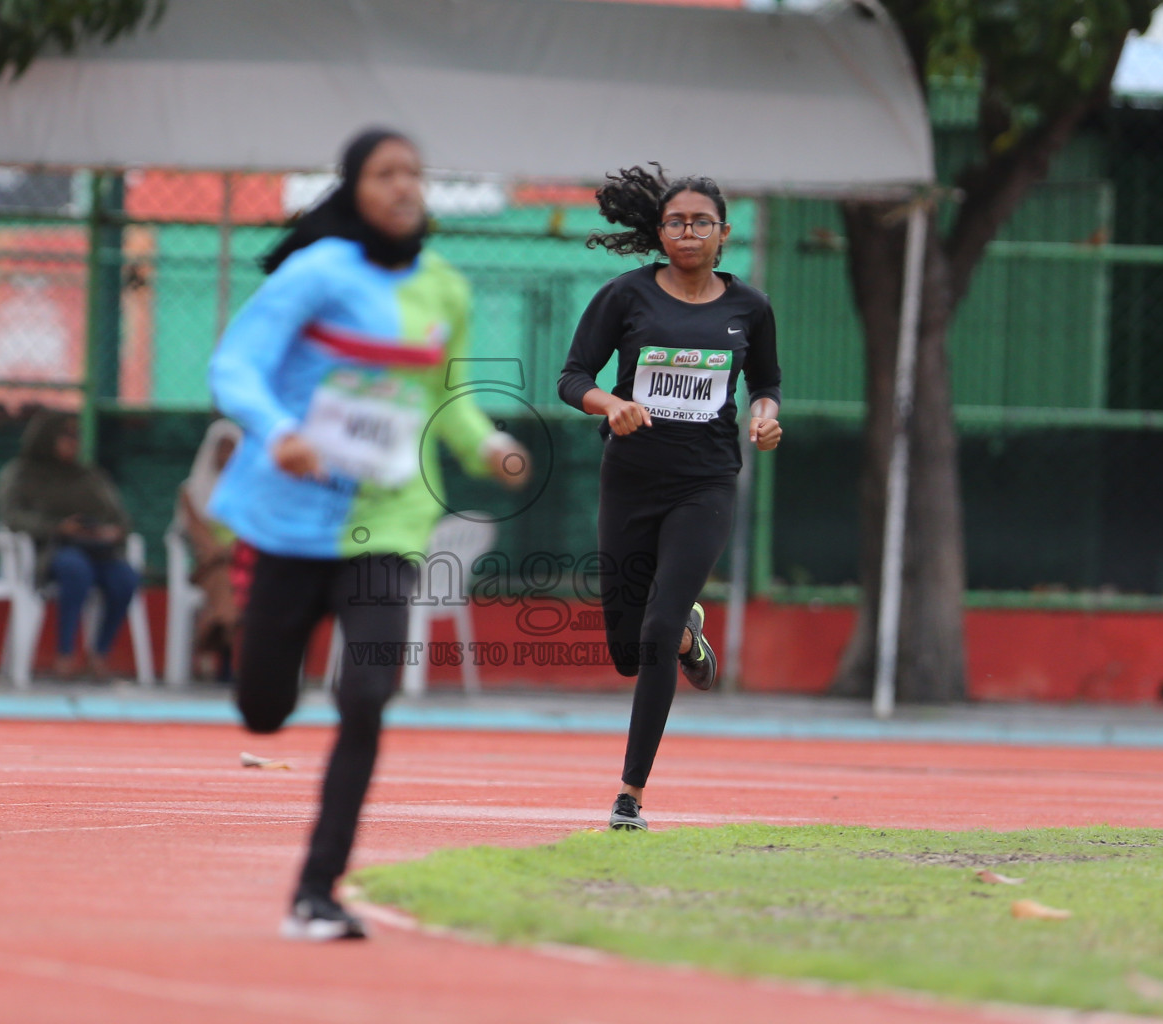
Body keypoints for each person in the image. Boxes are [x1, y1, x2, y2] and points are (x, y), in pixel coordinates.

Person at [209, 127, 530, 941]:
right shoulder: (315, 274)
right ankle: (260, 678)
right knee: (263, 711)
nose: (404, 187)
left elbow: (447, 400)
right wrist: (278, 428)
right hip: (290, 521)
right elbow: (235, 365)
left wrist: (489, 446)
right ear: (355, 188)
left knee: (367, 697)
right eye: (386, 174)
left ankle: (318, 892)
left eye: (414, 174)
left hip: (386, 523)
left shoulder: (445, 290)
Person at [557, 165, 782, 832]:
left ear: (723, 233)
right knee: (631, 649)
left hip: (705, 483)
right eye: (677, 221)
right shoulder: (626, 297)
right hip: (629, 479)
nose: (689, 231)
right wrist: (611, 404)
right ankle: (685, 634)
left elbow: (766, 382)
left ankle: (629, 794)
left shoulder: (750, 308)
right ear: (661, 231)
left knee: (654, 628)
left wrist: (766, 417)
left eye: (701, 221)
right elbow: (572, 377)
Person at [0, 410, 140, 680]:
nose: (73, 442)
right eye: (66, 436)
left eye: (77, 436)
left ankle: (99, 653)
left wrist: (108, 532)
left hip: (98, 551)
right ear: (47, 438)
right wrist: (57, 527)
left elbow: (121, 519)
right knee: (76, 569)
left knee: (125, 578)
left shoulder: (89, 476)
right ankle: (65, 654)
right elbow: (12, 516)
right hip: (48, 552)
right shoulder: (21, 474)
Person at [175, 418, 243, 682]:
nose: (225, 455)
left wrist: (234, 551)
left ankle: (210, 643)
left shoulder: (250, 492)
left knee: (230, 576)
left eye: (231, 448)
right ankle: (224, 657)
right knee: (224, 577)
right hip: (206, 565)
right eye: (221, 448)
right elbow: (195, 531)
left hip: (242, 562)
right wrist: (220, 551)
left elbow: (254, 529)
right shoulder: (191, 492)